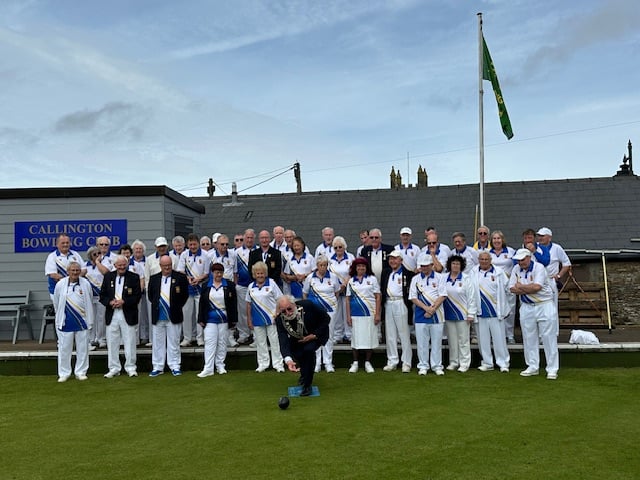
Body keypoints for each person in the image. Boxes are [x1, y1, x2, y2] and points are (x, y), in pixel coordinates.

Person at [509, 248, 559, 380]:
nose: (521, 262)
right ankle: (532, 366)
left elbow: (537, 287)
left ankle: (552, 369)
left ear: (529, 257)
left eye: (523, 259)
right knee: (528, 337)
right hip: (526, 306)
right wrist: (526, 288)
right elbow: (511, 288)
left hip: (544, 304)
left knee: (548, 337)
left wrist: (521, 287)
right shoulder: (515, 269)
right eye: (519, 260)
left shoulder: (539, 267)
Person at [276, 295, 330, 396]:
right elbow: (283, 341)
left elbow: (326, 319)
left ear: (294, 304)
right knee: (299, 355)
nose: (288, 313)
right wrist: (289, 361)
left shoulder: (308, 305)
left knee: (308, 351)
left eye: (289, 309)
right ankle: (304, 375)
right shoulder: (280, 320)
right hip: (297, 340)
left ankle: (307, 385)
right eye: (283, 311)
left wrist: (314, 335)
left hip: (315, 334)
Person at [99, 255, 142, 378]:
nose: (122, 267)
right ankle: (113, 368)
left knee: (130, 341)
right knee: (112, 342)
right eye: (119, 265)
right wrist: (110, 302)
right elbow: (102, 296)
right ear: (115, 265)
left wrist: (124, 301)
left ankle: (131, 367)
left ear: (127, 264)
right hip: (112, 313)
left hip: (127, 312)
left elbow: (137, 296)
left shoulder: (134, 277)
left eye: (124, 264)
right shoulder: (108, 277)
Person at [147, 255, 189, 376]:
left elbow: (184, 296)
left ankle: (175, 365)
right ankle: (158, 366)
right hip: (158, 315)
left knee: (174, 342)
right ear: (160, 266)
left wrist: (175, 306)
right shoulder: (154, 278)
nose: (167, 268)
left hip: (173, 315)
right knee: (157, 343)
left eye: (169, 265)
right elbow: (151, 296)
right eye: (165, 265)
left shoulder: (180, 277)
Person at [53, 261, 94, 382]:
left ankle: (81, 372)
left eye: (77, 270)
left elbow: (89, 299)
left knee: (82, 348)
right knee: (64, 348)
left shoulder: (85, 283)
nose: (75, 273)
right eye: (73, 270)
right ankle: (64, 373)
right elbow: (56, 301)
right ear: (68, 271)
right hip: (66, 321)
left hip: (82, 321)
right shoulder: (60, 284)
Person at [197, 263, 238, 377]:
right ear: (212, 273)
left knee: (222, 342)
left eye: (220, 272)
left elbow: (234, 303)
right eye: (216, 272)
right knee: (210, 343)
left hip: (224, 319)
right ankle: (208, 368)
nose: (218, 274)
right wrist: (201, 318)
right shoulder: (206, 285)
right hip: (210, 319)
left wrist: (234, 319)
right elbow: (202, 303)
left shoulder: (229, 285)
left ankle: (220, 365)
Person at [409, 253, 447, 376]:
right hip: (421, 314)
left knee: (436, 342)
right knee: (422, 342)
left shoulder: (440, 277)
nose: (424, 268)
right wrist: (426, 308)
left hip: (437, 314)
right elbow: (413, 297)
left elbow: (442, 295)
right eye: (422, 266)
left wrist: (433, 309)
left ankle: (437, 366)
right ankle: (423, 365)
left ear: (431, 265)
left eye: (426, 266)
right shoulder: (415, 279)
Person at [474, 251, 511, 372]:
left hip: (496, 312)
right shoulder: (473, 273)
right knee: (483, 340)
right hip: (480, 312)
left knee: (499, 339)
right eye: (482, 259)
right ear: (478, 260)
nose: (484, 261)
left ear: (490, 260)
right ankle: (487, 363)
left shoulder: (499, 273)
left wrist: (505, 307)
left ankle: (503, 363)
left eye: (486, 259)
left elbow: (508, 289)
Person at [302, 255, 340, 373]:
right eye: (320, 265)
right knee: (315, 335)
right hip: (315, 313)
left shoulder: (333, 277)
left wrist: (330, 304)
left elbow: (337, 292)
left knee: (329, 335)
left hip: (330, 311)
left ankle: (328, 362)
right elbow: (305, 293)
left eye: (325, 265)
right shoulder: (310, 278)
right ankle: (317, 363)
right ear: (317, 266)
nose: (323, 267)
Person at [246, 261, 285, 372]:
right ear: (254, 274)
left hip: (271, 318)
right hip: (257, 319)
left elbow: (280, 300)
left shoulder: (272, 283)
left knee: (274, 342)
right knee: (260, 342)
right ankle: (263, 364)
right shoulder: (250, 287)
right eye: (258, 273)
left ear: (265, 273)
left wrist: (277, 314)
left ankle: (278, 364)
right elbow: (248, 304)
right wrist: (249, 319)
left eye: (262, 273)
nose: (260, 275)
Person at [380, 250, 414, 373]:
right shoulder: (386, 272)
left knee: (404, 334)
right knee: (390, 334)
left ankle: (406, 362)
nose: (392, 261)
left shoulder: (407, 274)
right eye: (391, 259)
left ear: (401, 260)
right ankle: (392, 360)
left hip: (401, 303)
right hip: (389, 303)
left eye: (395, 259)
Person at [345, 257, 381, 373]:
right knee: (356, 339)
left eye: (363, 266)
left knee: (369, 338)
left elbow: (378, 297)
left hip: (369, 313)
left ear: (366, 267)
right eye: (359, 266)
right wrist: (348, 316)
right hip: (355, 315)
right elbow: (347, 299)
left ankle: (367, 362)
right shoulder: (351, 281)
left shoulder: (372, 279)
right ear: (355, 268)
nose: (361, 268)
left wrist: (377, 314)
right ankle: (355, 362)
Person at [443, 255, 478, 373]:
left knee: (463, 340)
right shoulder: (444, 278)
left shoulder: (466, 278)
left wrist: (471, 313)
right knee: (452, 340)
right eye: (453, 263)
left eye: (458, 264)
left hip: (463, 314)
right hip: (448, 314)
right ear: (450, 265)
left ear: (461, 266)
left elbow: (471, 297)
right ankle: (454, 362)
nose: (455, 266)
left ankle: (464, 363)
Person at [177, 233, 211, 347]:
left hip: (200, 288)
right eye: (190, 244)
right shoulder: (184, 255)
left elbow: (207, 273)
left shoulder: (206, 255)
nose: (192, 247)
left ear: (198, 243)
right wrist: (188, 278)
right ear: (187, 244)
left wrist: (198, 279)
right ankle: (187, 338)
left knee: (199, 314)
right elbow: (180, 271)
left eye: (194, 244)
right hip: (187, 288)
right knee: (186, 314)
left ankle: (200, 338)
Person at [536, 227, 572, 335]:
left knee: (552, 307)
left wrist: (559, 276)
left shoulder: (557, 248)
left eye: (543, 236)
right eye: (539, 236)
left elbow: (566, 263)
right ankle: (539, 333)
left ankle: (554, 333)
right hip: (537, 281)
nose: (540, 238)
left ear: (549, 237)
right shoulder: (535, 248)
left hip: (551, 280)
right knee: (538, 307)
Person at [489, 230, 517, 344]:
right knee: (495, 310)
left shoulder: (511, 251)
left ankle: (509, 335)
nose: (496, 240)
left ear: (502, 239)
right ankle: (496, 335)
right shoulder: (487, 252)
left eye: (498, 238)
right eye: (494, 238)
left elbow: (516, 266)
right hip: (493, 286)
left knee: (510, 310)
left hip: (508, 285)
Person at [329, 236, 355, 344]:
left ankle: (349, 335)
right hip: (336, 290)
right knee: (337, 312)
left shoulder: (350, 257)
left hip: (347, 288)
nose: (338, 249)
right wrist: (337, 288)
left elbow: (353, 272)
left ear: (344, 247)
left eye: (340, 247)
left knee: (347, 311)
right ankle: (338, 335)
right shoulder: (330, 259)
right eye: (336, 247)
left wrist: (345, 284)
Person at [45, 233, 84, 302]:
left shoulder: (75, 254)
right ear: (57, 244)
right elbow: (53, 275)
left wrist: (76, 278)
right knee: (60, 312)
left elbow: (84, 270)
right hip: (58, 291)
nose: (65, 245)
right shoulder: (52, 256)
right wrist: (70, 281)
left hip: (75, 290)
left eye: (67, 242)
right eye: (63, 243)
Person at [81, 246, 106, 351]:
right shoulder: (85, 266)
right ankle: (91, 339)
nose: (97, 256)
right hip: (90, 296)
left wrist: (98, 262)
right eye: (94, 254)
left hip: (101, 294)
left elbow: (106, 273)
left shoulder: (103, 264)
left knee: (101, 318)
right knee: (91, 317)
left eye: (99, 253)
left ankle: (101, 338)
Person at [235, 229, 256, 345]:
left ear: (254, 238)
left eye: (251, 237)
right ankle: (244, 334)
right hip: (242, 285)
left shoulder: (258, 251)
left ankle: (254, 334)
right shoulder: (237, 252)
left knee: (254, 311)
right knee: (242, 311)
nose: (249, 240)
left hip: (254, 286)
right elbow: (234, 270)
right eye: (247, 238)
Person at [130, 239, 151, 346]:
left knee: (145, 315)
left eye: (140, 249)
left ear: (143, 250)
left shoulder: (148, 261)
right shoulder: (128, 261)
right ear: (133, 250)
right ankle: (135, 338)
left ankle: (145, 336)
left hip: (146, 292)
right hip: (132, 295)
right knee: (135, 315)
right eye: (136, 249)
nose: (138, 250)